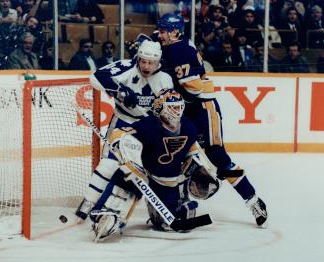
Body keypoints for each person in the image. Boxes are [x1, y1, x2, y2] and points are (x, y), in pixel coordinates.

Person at [157, 13, 268, 228]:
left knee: (219, 158)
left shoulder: (179, 50)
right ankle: (177, 205)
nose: (159, 34)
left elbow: (194, 88)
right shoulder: (175, 44)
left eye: (162, 31)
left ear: (174, 32)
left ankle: (253, 200)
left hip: (202, 110)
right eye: (159, 30)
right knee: (179, 156)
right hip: (186, 111)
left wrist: (168, 93)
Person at [87, 89, 220, 241]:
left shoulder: (189, 127)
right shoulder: (149, 124)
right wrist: (129, 159)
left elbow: (193, 152)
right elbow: (119, 133)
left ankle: (161, 208)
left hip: (167, 180)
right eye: (173, 107)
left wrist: (204, 169)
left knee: (169, 223)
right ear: (160, 108)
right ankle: (105, 215)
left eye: (179, 107)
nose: (177, 111)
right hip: (142, 173)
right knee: (122, 186)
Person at [75, 40, 174, 224]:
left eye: (151, 63)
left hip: (148, 127)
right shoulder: (126, 66)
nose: (146, 66)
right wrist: (120, 90)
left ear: (158, 61)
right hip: (123, 121)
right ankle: (88, 202)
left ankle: (149, 208)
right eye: (143, 61)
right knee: (109, 163)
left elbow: (168, 110)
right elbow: (95, 78)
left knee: (142, 169)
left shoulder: (165, 79)